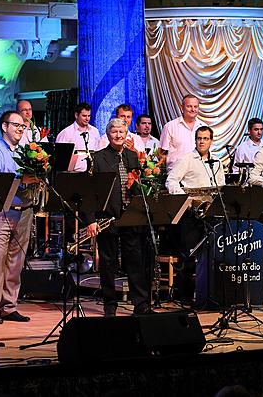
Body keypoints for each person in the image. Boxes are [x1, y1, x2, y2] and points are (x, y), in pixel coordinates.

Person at [82, 118, 151, 317]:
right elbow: (89, 193)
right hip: (107, 217)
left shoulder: (132, 156)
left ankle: (140, 304)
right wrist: (91, 220)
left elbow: (139, 187)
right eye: (114, 132)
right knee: (108, 263)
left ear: (127, 133)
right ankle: (110, 305)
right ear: (108, 135)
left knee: (135, 261)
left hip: (131, 218)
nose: (118, 135)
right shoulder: (98, 158)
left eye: (122, 131)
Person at [0, 111, 36, 324]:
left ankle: (9, 306)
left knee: (16, 261)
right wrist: (23, 180)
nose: (21, 129)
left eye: (23, 126)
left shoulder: (28, 152)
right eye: (16, 125)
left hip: (24, 210)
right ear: (4, 127)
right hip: (0, 211)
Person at [166, 125, 226, 306]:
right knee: (189, 256)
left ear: (211, 141)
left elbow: (221, 184)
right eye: (199, 138)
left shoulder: (217, 162)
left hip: (210, 214)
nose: (201, 142)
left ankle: (207, 295)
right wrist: (185, 199)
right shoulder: (187, 159)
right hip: (191, 214)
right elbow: (171, 181)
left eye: (205, 139)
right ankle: (184, 296)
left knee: (211, 256)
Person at [160, 94, 206, 169]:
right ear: (182, 108)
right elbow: (161, 153)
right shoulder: (170, 126)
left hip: (199, 172)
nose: (193, 109)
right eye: (189, 106)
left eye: (195, 107)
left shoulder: (204, 127)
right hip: (176, 173)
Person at [55, 102, 101, 172]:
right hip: (73, 174)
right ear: (76, 115)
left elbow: (98, 151)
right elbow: (60, 157)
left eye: (89, 116)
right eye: (84, 116)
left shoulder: (95, 131)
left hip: (93, 172)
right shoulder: (66, 133)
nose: (87, 119)